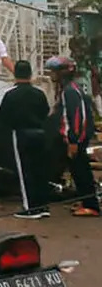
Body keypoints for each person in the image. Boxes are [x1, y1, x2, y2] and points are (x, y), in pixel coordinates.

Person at [0, 60, 53, 219]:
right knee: (40, 170)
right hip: (40, 133)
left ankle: (30, 208)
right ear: (30, 74)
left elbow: (2, 117)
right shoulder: (39, 93)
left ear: (15, 74)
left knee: (25, 171)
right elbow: (46, 112)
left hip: (21, 133)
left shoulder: (10, 94)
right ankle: (43, 206)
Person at [47, 56, 99, 217]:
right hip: (74, 139)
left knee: (81, 171)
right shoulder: (69, 89)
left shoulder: (70, 91)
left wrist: (73, 141)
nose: (51, 75)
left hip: (75, 140)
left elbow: (76, 117)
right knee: (77, 171)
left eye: (54, 72)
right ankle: (86, 201)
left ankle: (92, 206)